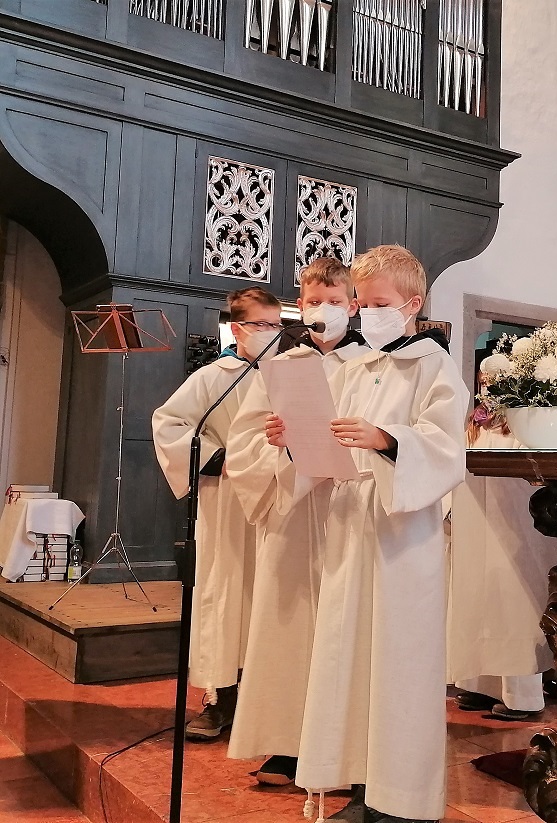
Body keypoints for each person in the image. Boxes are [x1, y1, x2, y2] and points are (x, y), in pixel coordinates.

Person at [293, 245, 468, 823]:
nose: (366, 314)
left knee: (400, 663)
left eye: (378, 303)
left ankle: (402, 801)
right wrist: (296, 438)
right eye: (362, 303)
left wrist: (388, 440)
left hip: (402, 533)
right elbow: (333, 441)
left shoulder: (433, 365)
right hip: (352, 523)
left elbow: (447, 448)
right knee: (349, 656)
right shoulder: (357, 367)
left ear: (413, 305)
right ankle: (362, 786)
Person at [225, 258, 368, 786]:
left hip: (350, 506)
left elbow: (387, 430)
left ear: (352, 305)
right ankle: (286, 743)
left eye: (334, 300)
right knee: (288, 627)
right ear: (299, 307)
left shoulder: (371, 363)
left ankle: (345, 750)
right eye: (313, 301)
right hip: (293, 509)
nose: (323, 309)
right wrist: (275, 441)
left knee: (345, 628)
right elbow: (243, 441)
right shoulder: (281, 365)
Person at [151, 286, 282, 739]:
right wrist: (217, 458)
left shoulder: (289, 374)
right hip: (226, 500)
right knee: (226, 593)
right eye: (262, 325)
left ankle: (268, 700)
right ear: (238, 329)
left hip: (277, 499)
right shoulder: (214, 377)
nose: (272, 334)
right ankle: (221, 697)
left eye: (277, 326)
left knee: (271, 596)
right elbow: (169, 423)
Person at [447, 355, 557, 722]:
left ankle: (522, 695)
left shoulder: (523, 420)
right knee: (479, 599)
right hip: (476, 520)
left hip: (514, 521)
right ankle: (480, 684)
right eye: (483, 379)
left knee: (512, 605)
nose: (488, 386)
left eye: (495, 379)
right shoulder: (474, 420)